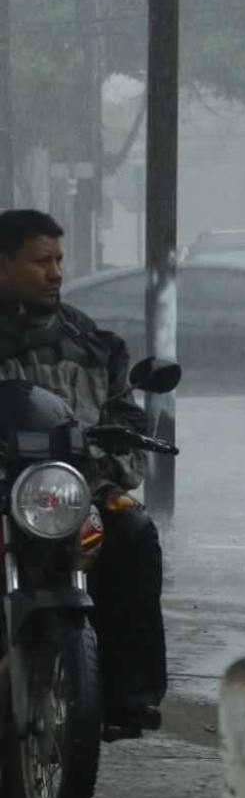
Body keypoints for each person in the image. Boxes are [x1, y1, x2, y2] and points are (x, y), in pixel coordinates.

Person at [0, 209, 165, 734]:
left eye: (59, 260)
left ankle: (126, 698)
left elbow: (127, 422)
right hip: (4, 498)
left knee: (134, 530)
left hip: (72, 498)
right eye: (40, 261)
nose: (55, 272)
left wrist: (109, 466)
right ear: (3, 266)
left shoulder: (94, 344)